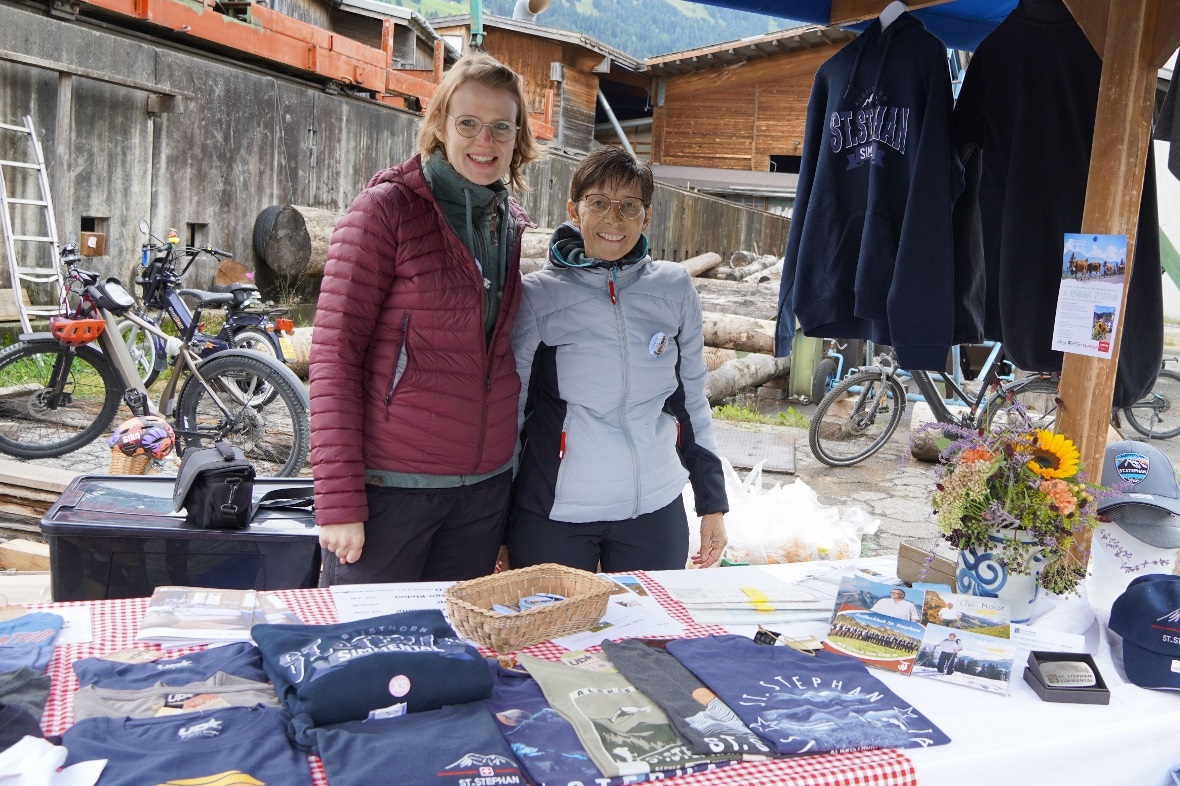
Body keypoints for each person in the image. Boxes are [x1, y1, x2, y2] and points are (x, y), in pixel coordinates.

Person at [309, 52, 540, 584]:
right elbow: (333, 356)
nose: (485, 141)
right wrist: (339, 501)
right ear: (439, 125)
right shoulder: (386, 210)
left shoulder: (504, 224)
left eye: (501, 128)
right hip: (392, 487)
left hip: (481, 493)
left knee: (452, 652)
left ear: (517, 137)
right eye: (469, 124)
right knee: (364, 650)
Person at [508, 146, 728, 573]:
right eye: (598, 204)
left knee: (649, 637)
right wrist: (499, 523)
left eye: (629, 206)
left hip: (653, 509)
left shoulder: (674, 289)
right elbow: (512, 413)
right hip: (555, 513)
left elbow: (692, 402)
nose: (614, 219)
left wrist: (712, 503)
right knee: (551, 635)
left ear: (646, 217)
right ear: (574, 210)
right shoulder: (538, 296)